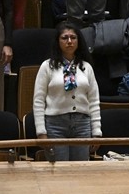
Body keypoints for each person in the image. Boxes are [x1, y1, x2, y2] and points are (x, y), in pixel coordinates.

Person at [32, 21, 101, 161]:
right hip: (55, 125)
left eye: (73, 37)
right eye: (64, 38)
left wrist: (97, 131)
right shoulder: (47, 66)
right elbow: (38, 100)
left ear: (78, 41)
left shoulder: (86, 67)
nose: (69, 41)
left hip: (82, 125)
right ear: (58, 41)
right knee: (59, 171)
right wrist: (41, 131)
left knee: (80, 170)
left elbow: (94, 101)